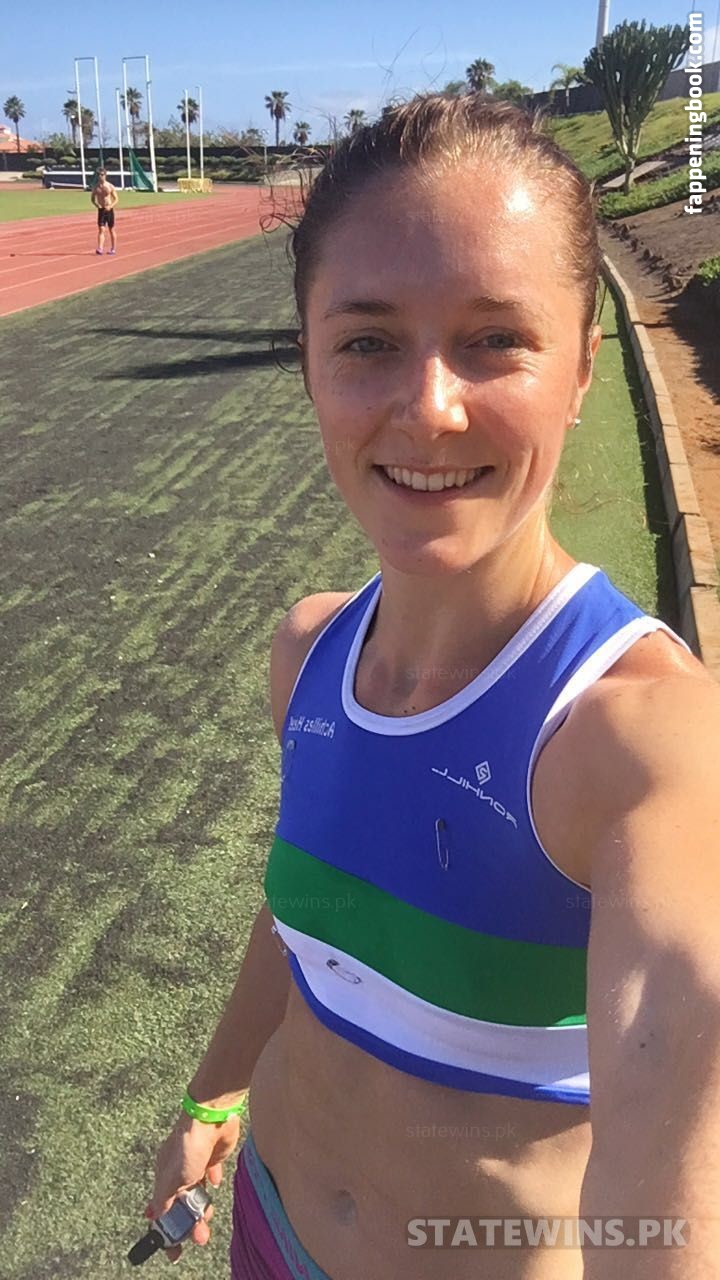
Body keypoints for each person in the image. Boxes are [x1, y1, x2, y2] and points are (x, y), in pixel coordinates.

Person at [147, 94, 720, 1278]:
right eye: (367, 342)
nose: (429, 407)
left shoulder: (644, 737)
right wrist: (215, 1093)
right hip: (265, 1226)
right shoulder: (311, 651)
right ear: (308, 362)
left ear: (581, 367)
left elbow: (670, 1184)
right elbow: (305, 917)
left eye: (493, 338)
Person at [91, 167, 118, 255]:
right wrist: (96, 205)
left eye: (102, 175)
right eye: (98, 175)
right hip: (101, 210)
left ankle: (113, 248)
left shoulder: (110, 186)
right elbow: (92, 199)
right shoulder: (96, 187)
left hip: (109, 209)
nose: (100, 176)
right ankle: (100, 248)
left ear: (105, 175)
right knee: (101, 229)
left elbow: (116, 199)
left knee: (111, 229)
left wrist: (110, 206)